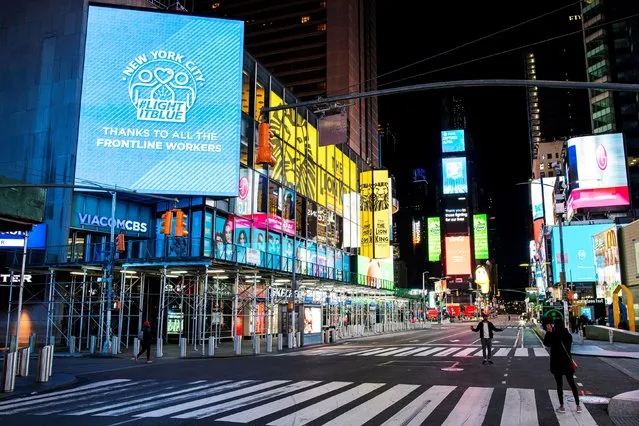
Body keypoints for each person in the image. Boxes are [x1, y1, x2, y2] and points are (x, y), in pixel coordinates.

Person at [544, 318, 581, 413]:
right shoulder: (568, 335)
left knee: (559, 385)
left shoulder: (553, 334)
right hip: (567, 363)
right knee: (572, 384)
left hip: (557, 363)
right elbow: (569, 345)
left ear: (554, 325)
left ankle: (562, 406)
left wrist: (549, 332)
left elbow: (546, 343)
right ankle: (578, 406)